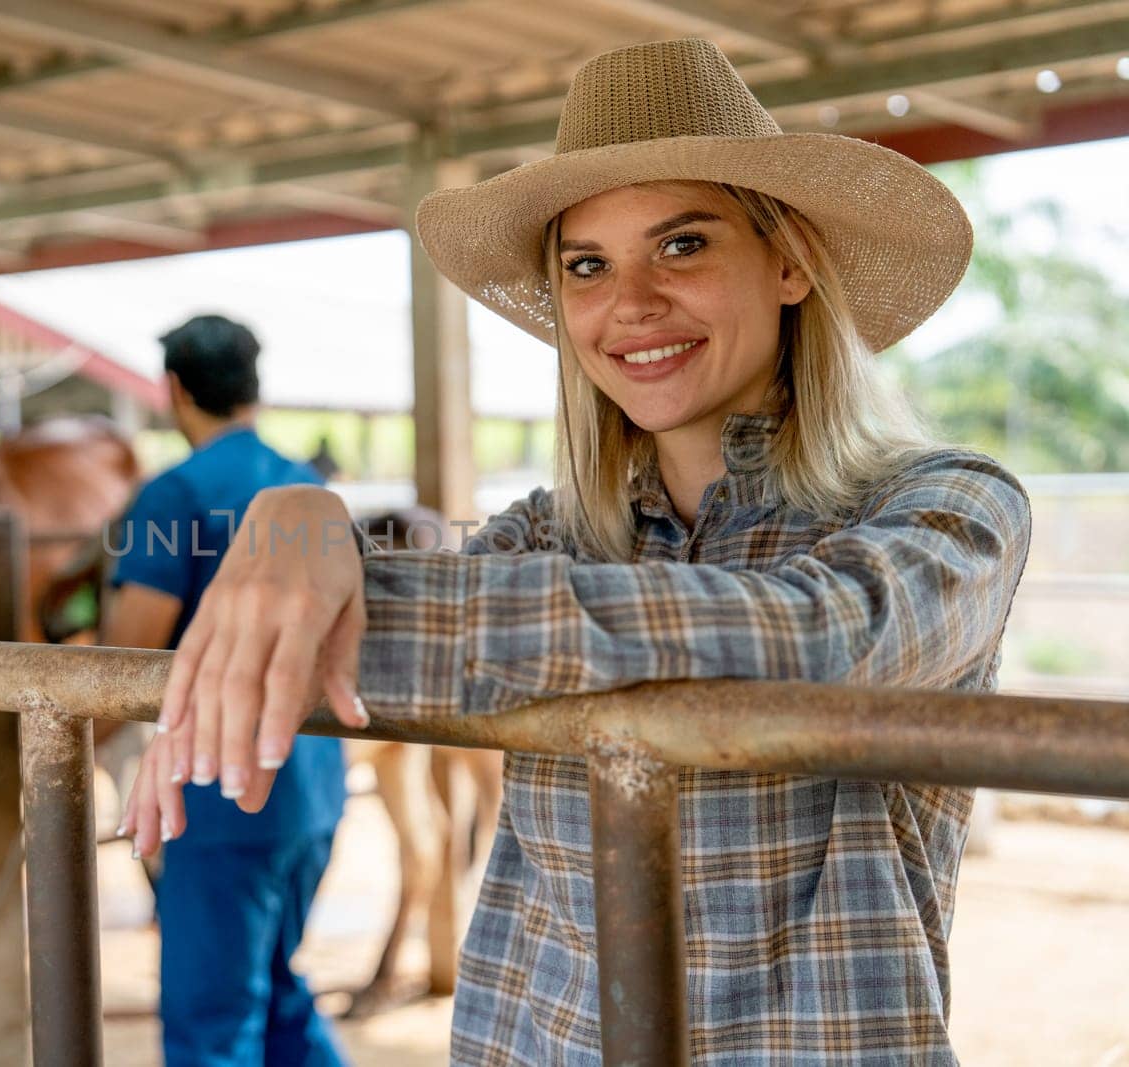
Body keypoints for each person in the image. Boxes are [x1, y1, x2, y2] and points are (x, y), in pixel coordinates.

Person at [120, 38, 1033, 1063]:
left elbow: (820, 636)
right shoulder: (540, 534)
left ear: (789, 261)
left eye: (681, 245)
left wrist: (326, 597)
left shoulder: (951, 504)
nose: (629, 303)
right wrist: (298, 524)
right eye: (585, 264)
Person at [99, 313, 348, 1067]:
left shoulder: (172, 497)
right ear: (254, 388)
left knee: (212, 1021)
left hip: (220, 792)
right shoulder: (306, 486)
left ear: (173, 390)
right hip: (315, 787)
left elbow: (126, 651)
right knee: (276, 989)